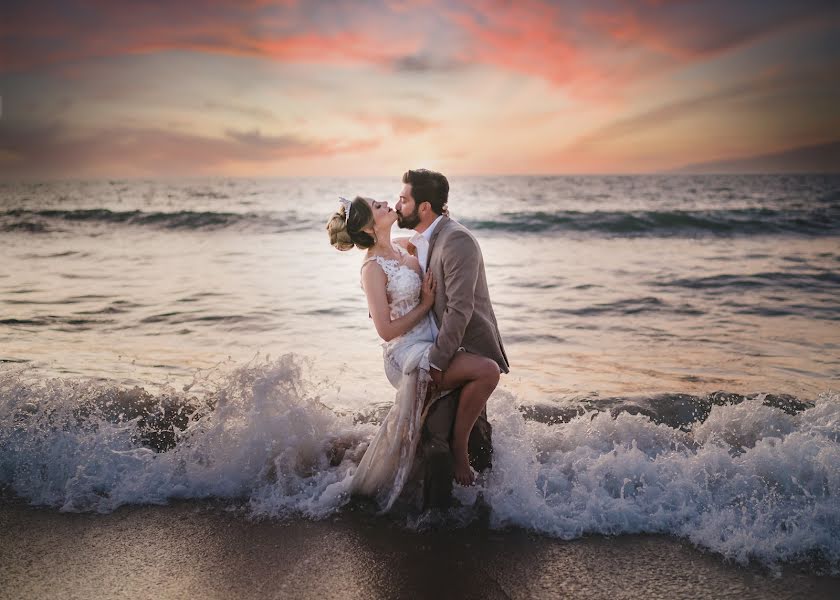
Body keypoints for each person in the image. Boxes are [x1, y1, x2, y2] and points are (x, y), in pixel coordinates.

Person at [325, 185, 503, 510]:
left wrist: (440, 211)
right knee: (487, 371)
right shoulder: (372, 269)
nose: (386, 203)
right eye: (378, 206)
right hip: (405, 352)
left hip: (431, 339)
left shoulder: (403, 246)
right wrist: (425, 305)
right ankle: (460, 449)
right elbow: (385, 329)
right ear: (369, 226)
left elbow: (435, 235)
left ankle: (455, 446)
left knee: (480, 370)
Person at [395, 169, 509, 507]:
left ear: (424, 206)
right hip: (442, 349)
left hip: (464, 351)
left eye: (404, 199)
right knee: (433, 438)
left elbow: (460, 310)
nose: (397, 204)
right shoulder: (423, 240)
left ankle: (486, 515)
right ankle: (443, 513)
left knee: (453, 441)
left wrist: (435, 365)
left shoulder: (457, 241)